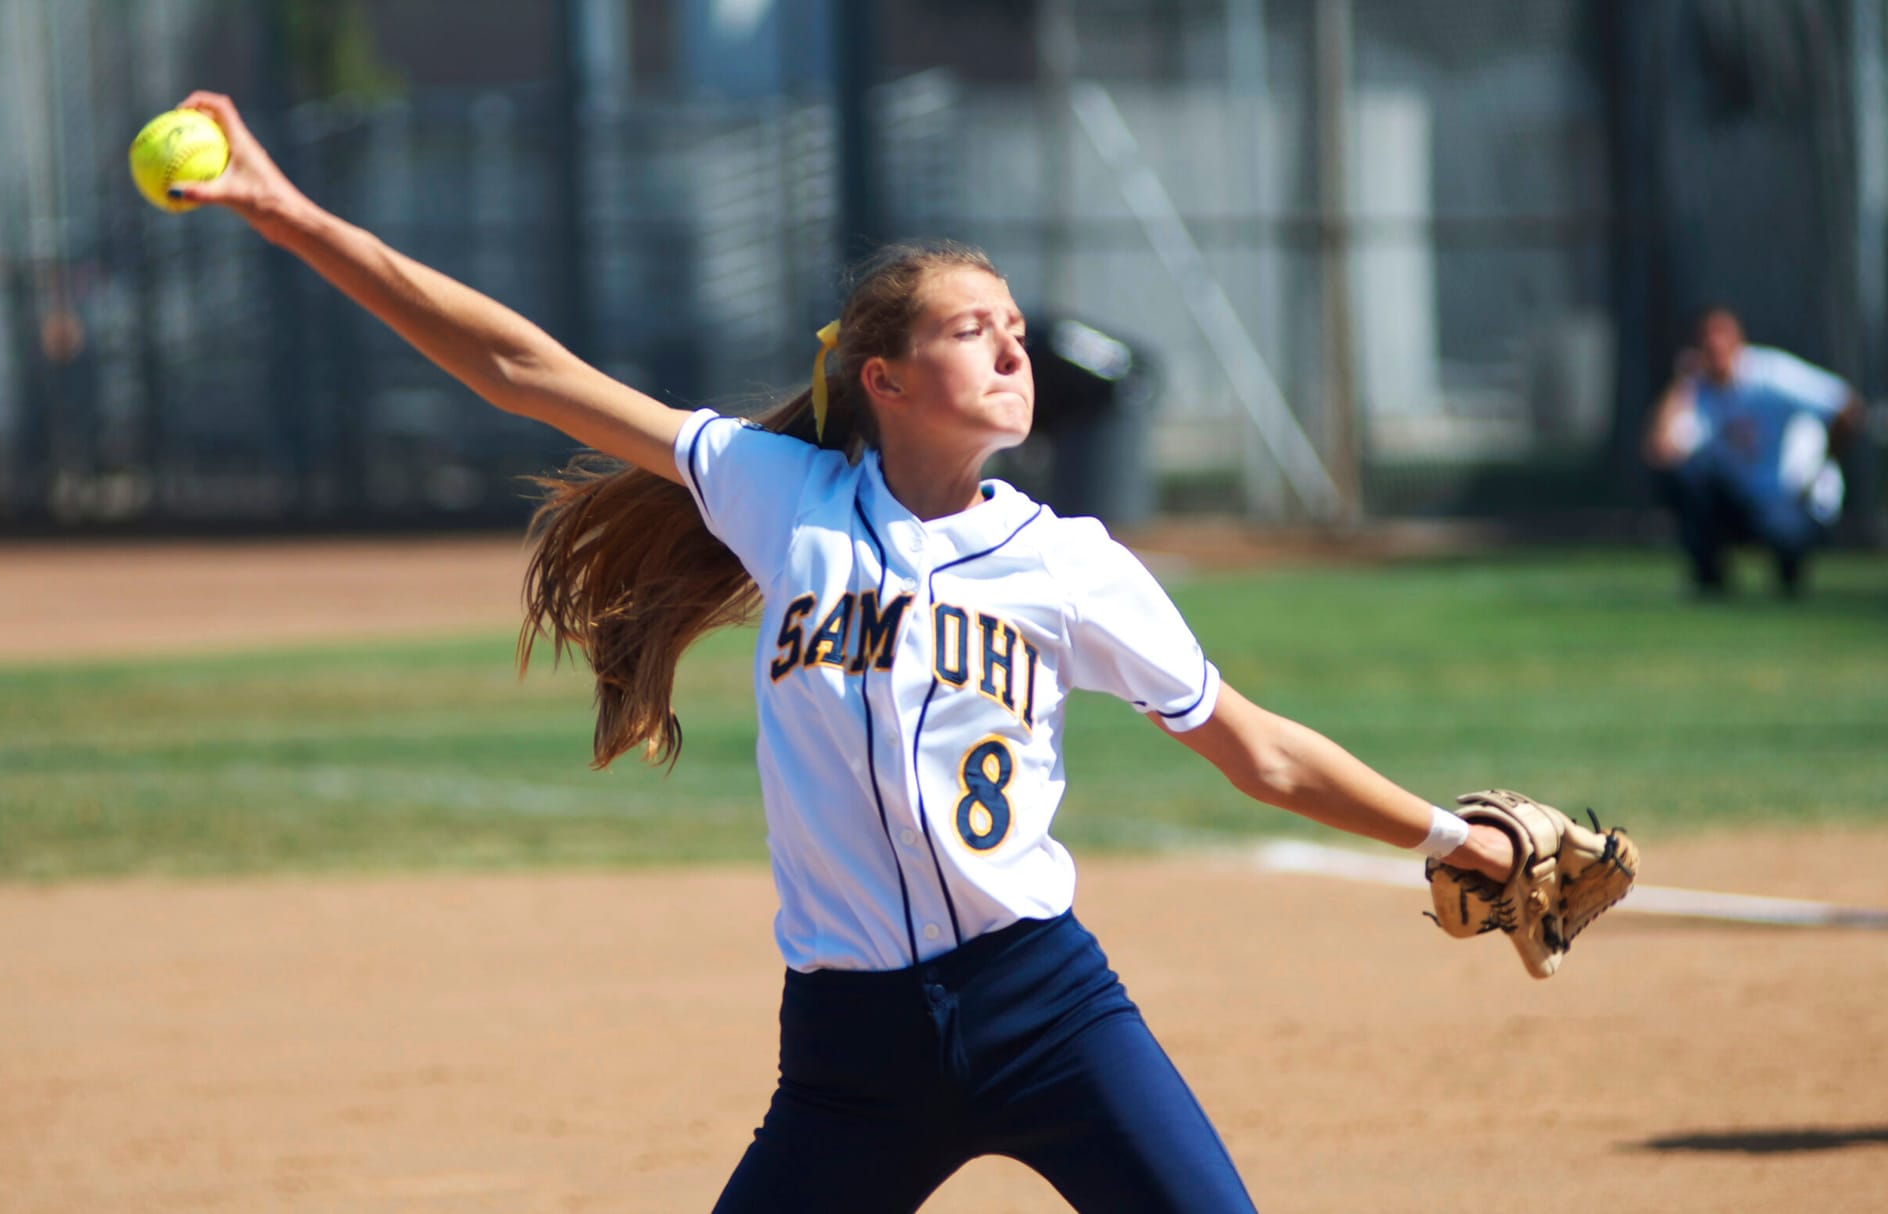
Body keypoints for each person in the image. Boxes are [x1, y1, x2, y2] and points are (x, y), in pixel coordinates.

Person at [169, 90, 1518, 1214]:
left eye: (1015, 327)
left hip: (1048, 1009)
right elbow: (520, 365)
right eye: (969, 326)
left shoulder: (1073, 563)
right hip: (849, 1051)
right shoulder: (777, 492)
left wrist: (1447, 840)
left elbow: (1259, 748)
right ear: (882, 378)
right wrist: (289, 215)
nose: (1012, 343)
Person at [1644, 306, 1863, 597]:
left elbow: (1847, 406)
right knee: (1684, 478)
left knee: (1785, 532)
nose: (1714, 346)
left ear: (1738, 341)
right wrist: (1680, 385)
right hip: (1739, 501)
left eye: (1721, 337)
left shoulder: (1772, 375)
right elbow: (1662, 450)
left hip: (1786, 501)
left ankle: (1790, 569)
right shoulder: (1698, 392)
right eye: (1706, 340)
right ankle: (1710, 579)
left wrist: (1822, 463)